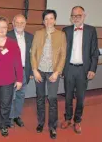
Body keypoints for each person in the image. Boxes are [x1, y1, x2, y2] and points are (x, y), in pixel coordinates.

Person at [60, 6, 99, 134]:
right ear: (71, 17)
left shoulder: (91, 30)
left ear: (84, 16)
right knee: (68, 97)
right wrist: (60, 68)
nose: (76, 18)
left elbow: (94, 52)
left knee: (81, 98)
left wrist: (93, 69)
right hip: (69, 69)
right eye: (73, 16)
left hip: (83, 70)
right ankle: (68, 118)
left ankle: (77, 120)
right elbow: (61, 52)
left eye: (78, 15)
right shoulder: (65, 30)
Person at [31, 9, 66, 139]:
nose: (49, 21)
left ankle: (52, 126)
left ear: (55, 20)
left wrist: (57, 72)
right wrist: (35, 70)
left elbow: (63, 55)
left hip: (53, 72)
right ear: (43, 21)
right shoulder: (38, 33)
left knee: (52, 99)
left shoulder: (61, 35)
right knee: (40, 98)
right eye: (46, 19)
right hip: (39, 71)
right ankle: (41, 122)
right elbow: (33, 53)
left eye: (51, 18)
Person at [0, 16, 23, 137]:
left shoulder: (13, 44)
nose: (2, 29)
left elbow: (18, 62)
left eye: (4, 27)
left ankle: (3, 125)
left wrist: (19, 79)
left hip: (8, 80)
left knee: (6, 104)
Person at [7, 14, 33, 127]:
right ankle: (10, 117)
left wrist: (31, 71)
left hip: (24, 71)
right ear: (12, 23)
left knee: (21, 95)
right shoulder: (7, 36)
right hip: (11, 71)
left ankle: (17, 115)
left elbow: (32, 56)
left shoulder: (30, 37)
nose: (19, 25)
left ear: (25, 24)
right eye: (17, 22)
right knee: (11, 95)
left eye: (22, 22)